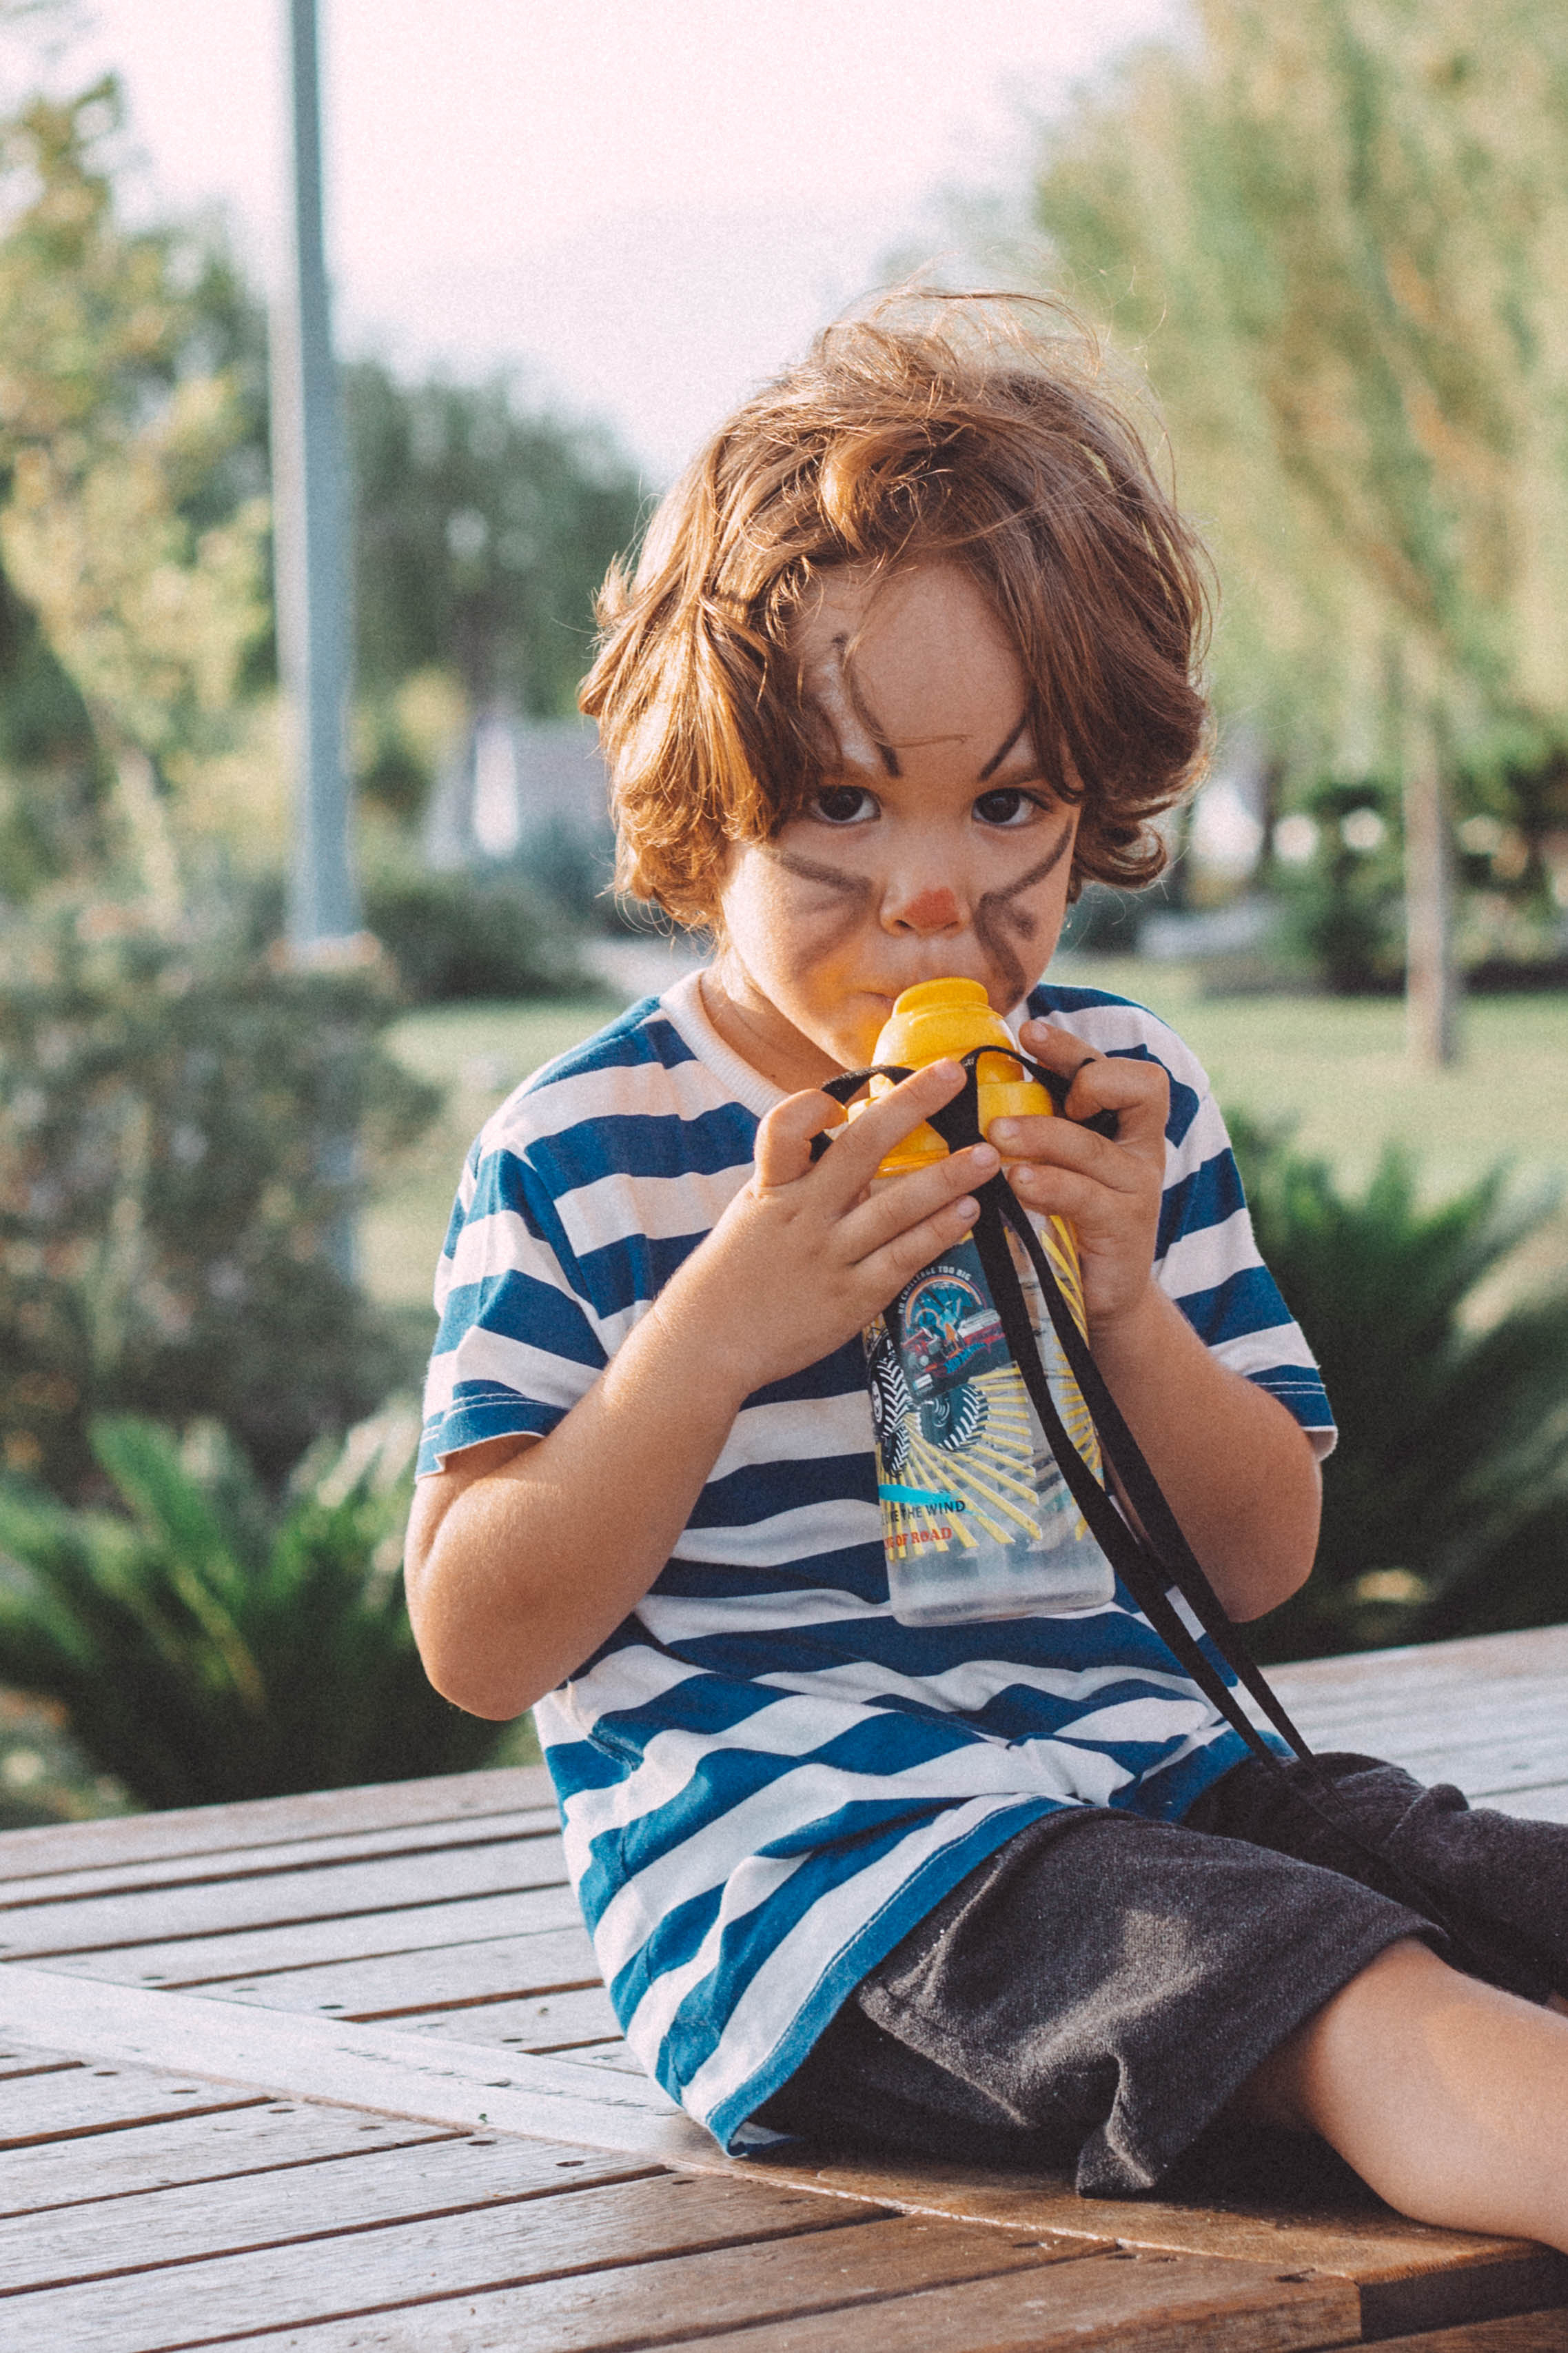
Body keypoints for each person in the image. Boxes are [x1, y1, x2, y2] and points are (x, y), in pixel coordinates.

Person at [405, 297, 1568, 2246]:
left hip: (1152, 1783)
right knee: (1344, 1995)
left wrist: (1126, 1305)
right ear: (705, 799)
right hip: (815, 1881)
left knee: (1485, 1891)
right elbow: (476, 1639)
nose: (933, 892)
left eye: (1006, 805)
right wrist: (712, 1335)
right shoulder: (587, 1151)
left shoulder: (1115, 1097)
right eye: (843, 804)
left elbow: (1255, 1558)